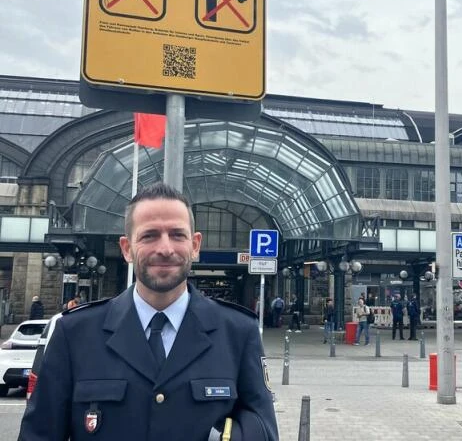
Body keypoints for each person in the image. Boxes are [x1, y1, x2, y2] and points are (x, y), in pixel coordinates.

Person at [19, 182, 278, 441]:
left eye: (177, 235)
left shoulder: (238, 332)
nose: (165, 249)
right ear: (127, 248)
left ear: (195, 245)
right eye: (149, 235)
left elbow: (263, 430)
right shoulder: (74, 333)